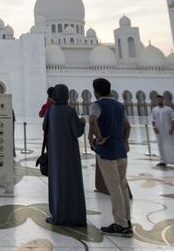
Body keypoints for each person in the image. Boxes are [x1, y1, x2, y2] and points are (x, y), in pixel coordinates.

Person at [89, 78, 133, 237]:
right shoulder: (119, 105)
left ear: (96, 91)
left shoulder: (97, 104)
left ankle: (120, 223)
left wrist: (99, 138)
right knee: (122, 186)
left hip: (107, 151)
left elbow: (92, 121)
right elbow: (127, 126)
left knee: (114, 187)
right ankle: (127, 221)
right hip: (121, 151)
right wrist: (125, 140)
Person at [42, 84, 87, 226]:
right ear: (66, 95)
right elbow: (77, 132)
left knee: (57, 182)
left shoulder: (51, 111)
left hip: (55, 154)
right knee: (72, 182)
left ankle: (58, 214)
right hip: (70, 154)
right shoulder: (70, 111)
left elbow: (44, 127)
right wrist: (82, 123)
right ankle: (73, 215)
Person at [150, 95, 174, 168]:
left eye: (161, 100)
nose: (159, 101)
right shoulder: (154, 109)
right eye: (158, 100)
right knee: (161, 145)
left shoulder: (168, 109)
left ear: (164, 101)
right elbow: (153, 119)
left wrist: (172, 129)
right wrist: (154, 127)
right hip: (159, 131)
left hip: (169, 130)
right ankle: (163, 161)